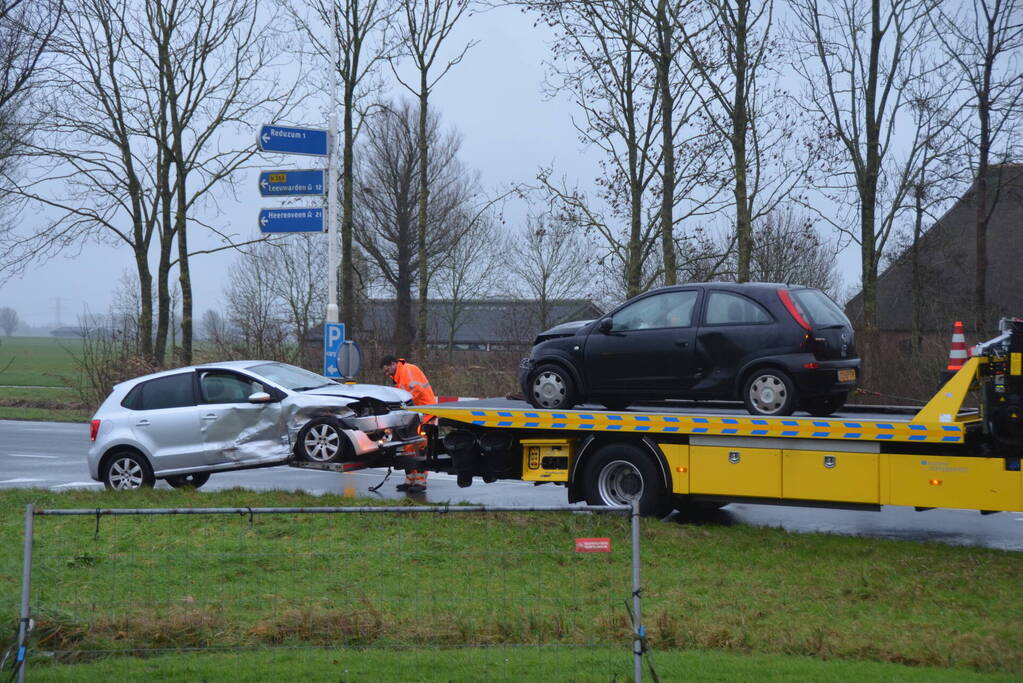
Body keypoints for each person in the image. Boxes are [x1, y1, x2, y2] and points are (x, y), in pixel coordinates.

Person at [380, 355, 437, 493]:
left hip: (424, 414)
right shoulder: (399, 375)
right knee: (408, 447)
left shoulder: (408, 370)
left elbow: (415, 392)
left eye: (387, 370)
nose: (387, 374)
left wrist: (400, 407)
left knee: (419, 447)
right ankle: (410, 480)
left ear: (393, 364)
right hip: (413, 415)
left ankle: (421, 481)